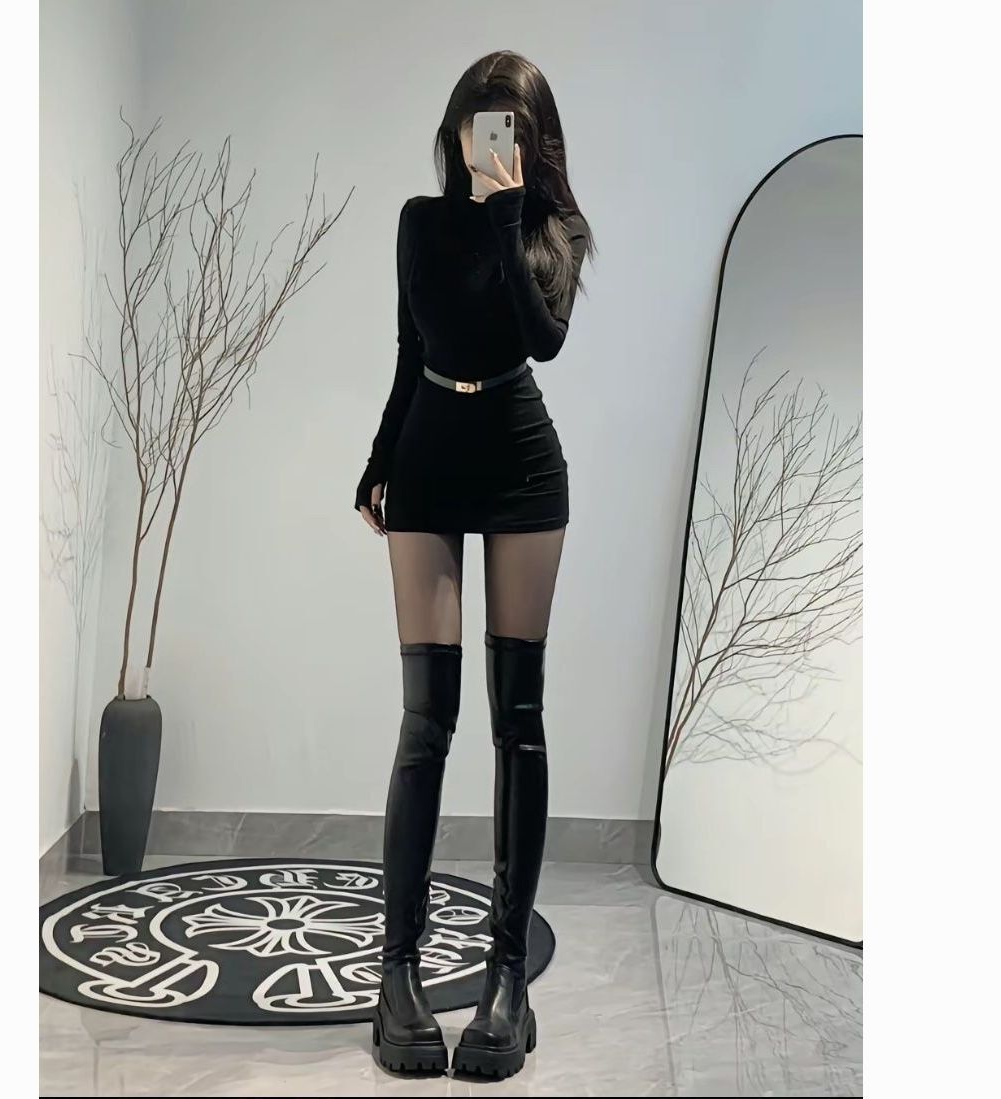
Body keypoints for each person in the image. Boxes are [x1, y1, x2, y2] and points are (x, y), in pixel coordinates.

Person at [355, 50, 594, 1080]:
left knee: (518, 720)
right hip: (426, 459)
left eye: (509, 127)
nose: (488, 141)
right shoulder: (418, 221)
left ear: (532, 142)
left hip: (522, 466)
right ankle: (396, 975)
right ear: (454, 129)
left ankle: (507, 981)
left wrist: (506, 217)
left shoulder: (552, 231)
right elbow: (409, 350)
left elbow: (543, 342)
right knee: (426, 722)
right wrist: (376, 461)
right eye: (476, 122)